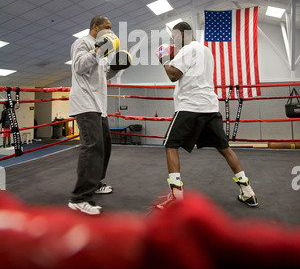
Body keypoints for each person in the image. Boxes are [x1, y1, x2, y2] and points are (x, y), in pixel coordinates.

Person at [155, 21, 258, 209]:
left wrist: (163, 59)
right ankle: (248, 192)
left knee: (170, 146)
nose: (174, 42)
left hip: (190, 106)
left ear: (181, 34)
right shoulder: (206, 51)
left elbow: (173, 75)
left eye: (174, 37)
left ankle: (176, 197)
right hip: (210, 107)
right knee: (225, 148)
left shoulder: (187, 50)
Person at [68, 15, 131, 215]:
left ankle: (95, 183)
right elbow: (79, 66)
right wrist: (98, 50)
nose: (111, 31)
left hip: (98, 106)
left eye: (112, 27)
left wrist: (115, 68)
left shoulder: (102, 50)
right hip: (85, 104)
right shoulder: (82, 43)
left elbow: (101, 75)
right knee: (92, 146)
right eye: (107, 27)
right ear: (95, 27)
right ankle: (79, 198)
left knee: (104, 146)